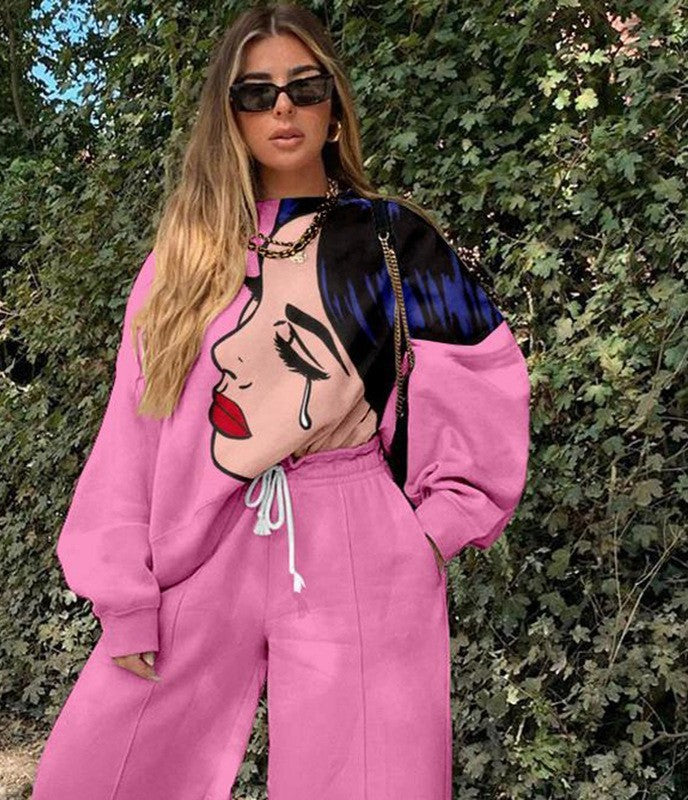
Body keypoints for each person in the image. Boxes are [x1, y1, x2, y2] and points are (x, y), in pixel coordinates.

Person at [31, 4, 530, 799]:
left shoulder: (396, 241)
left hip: (357, 536)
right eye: (256, 93)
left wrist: (428, 534)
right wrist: (124, 596)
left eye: (305, 87)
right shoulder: (184, 256)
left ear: (335, 106)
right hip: (201, 536)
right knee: (101, 775)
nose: (284, 108)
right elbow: (134, 430)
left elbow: (483, 381)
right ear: (229, 114)